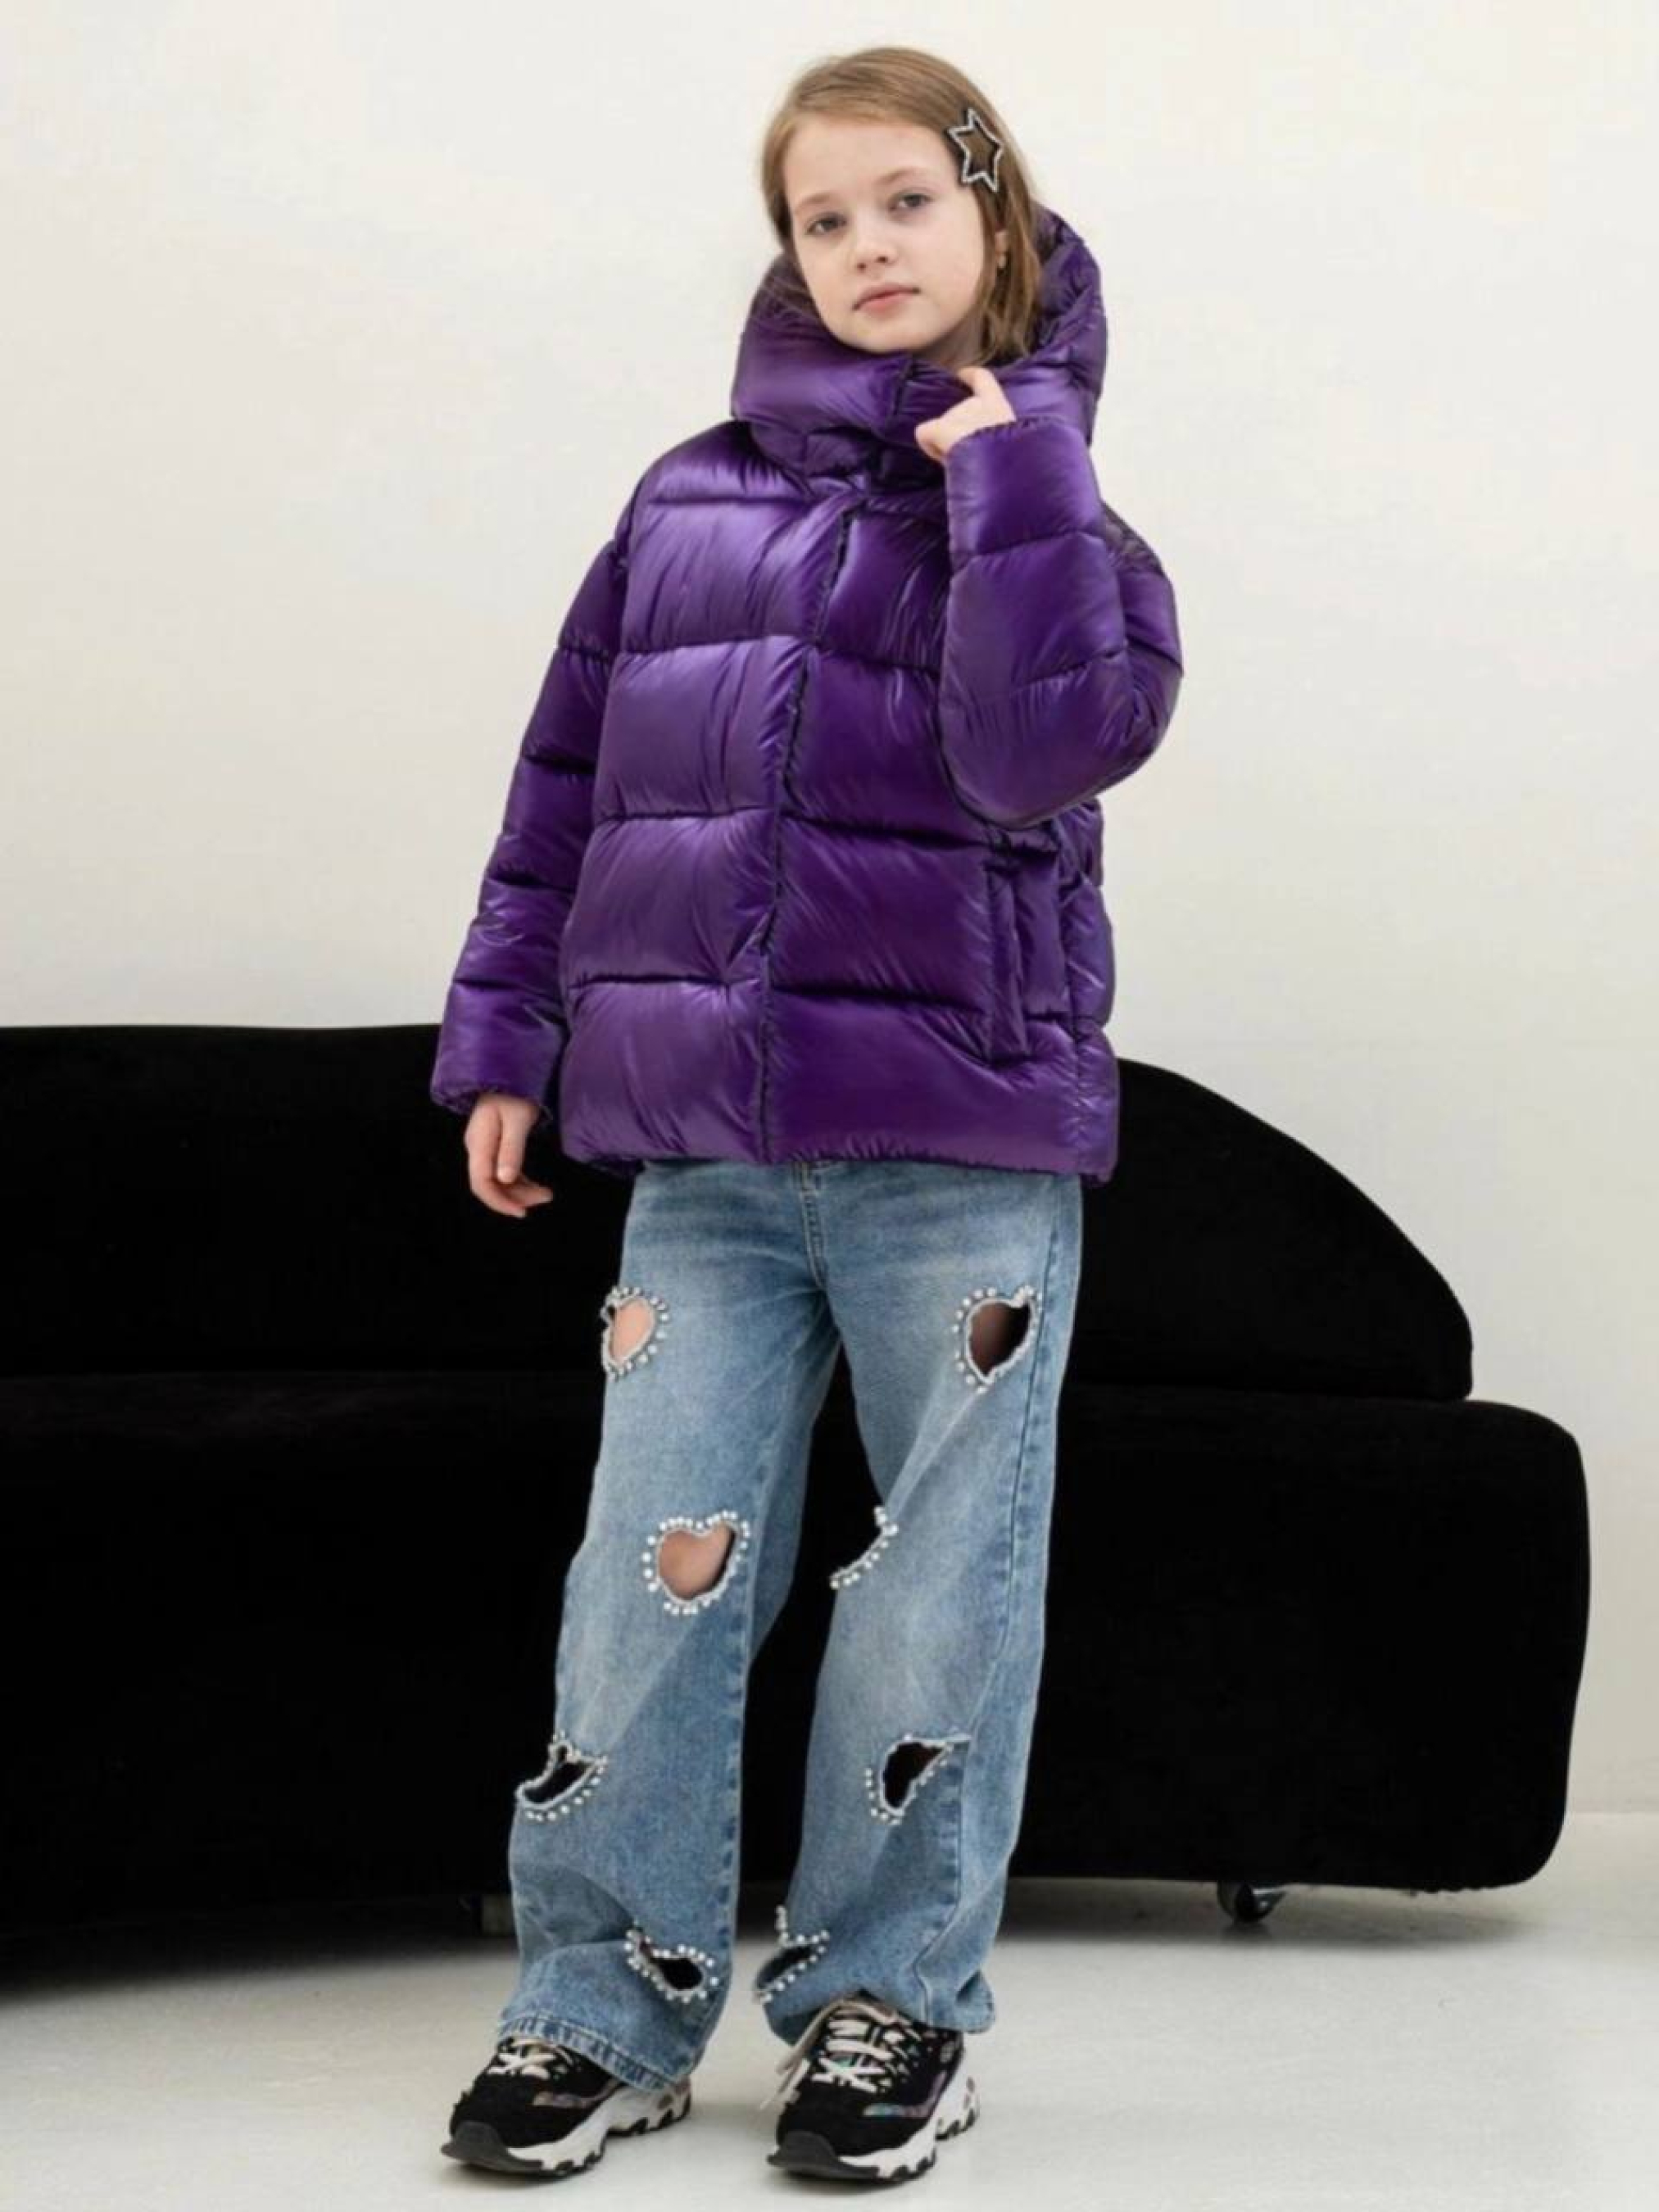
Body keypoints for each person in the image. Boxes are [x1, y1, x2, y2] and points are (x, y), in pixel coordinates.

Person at [433, 43, 1183, 2188]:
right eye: (819, 216)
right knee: (644, 1581)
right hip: (704, 1154)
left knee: (940, 1593)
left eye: (904, 201)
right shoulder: (685, 502)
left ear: (992, 216)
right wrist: (505, 1036)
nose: (863, 244)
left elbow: (1044, 750)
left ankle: (891, 2002)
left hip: (965, 1152)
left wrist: (1010, 464)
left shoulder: (1069, 523)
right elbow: (567, 781)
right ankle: (602, 1999)